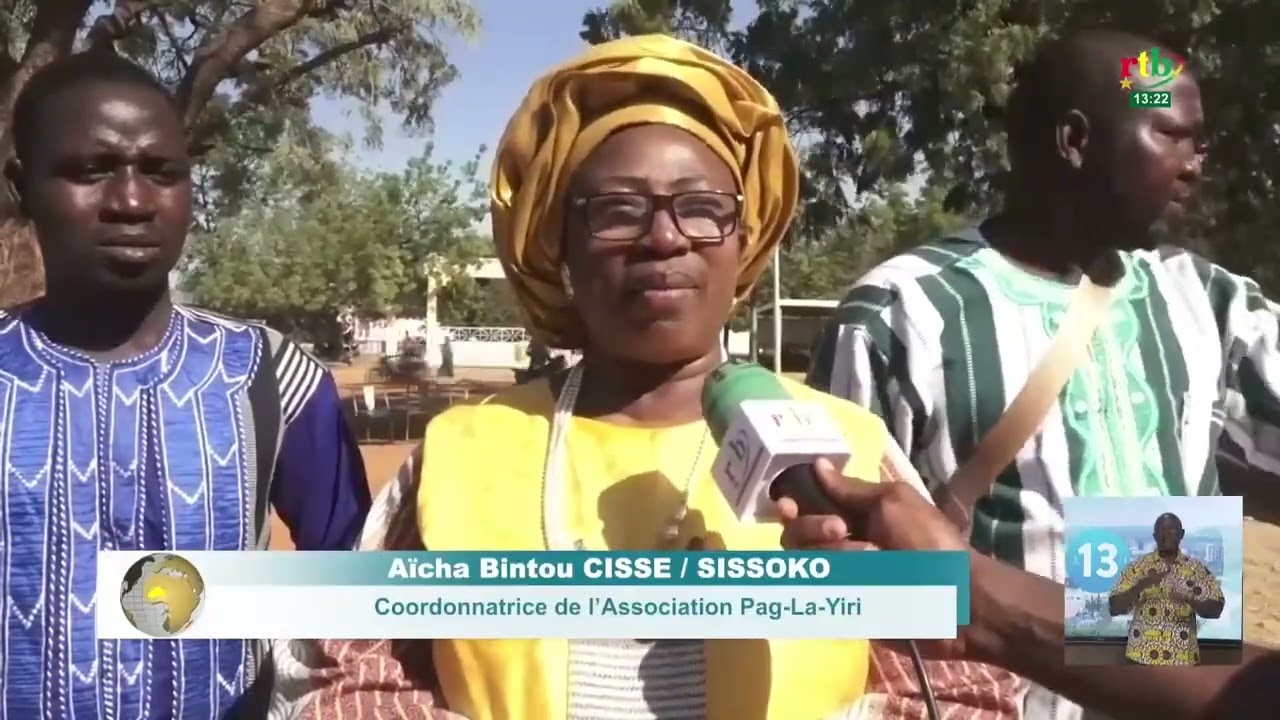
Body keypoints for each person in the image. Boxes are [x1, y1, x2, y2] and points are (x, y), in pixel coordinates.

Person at [286, 34, 931, 719]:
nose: (664, 238)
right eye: (619, 210)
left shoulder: (848, 449)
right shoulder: (461, 453)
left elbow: (955, 687)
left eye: (703, 207)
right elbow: (346, 681)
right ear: (557, 246)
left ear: (744, 242)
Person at [807, 28, 1279, 719]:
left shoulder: (1207, 302)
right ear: (1075, 141)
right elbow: (842, 577)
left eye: (1199, 143)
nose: (1194, 165)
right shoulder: (901, 315)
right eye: (1172, 135)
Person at [0, 51, 372, 719]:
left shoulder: (270, 376)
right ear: (22, 187)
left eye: (161, 173)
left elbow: (354, 595)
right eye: (91, 171)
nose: (133, 201)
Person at [1108, 513, 1224, 666]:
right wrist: (1141, 585)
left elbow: (1216, 609)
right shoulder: (1138, 567)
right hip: (1140, 659)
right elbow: (1114, 608)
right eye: (1161, 530)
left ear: (1181, 534)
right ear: (1155, 536)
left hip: (1183, 660)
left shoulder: (1197, 569)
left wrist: (1188, 598)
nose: (1165, 534)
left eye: (1171, 530)